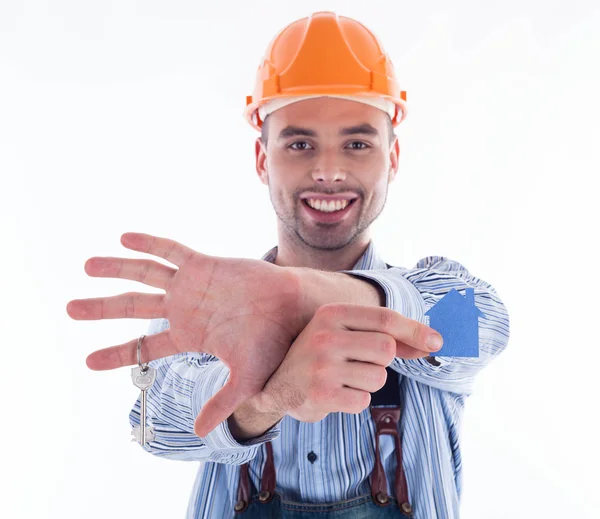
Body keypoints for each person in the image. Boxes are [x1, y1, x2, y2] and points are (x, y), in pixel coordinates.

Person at [71, 10, 509, 519]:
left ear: (392, 158)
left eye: (357, 143)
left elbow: (488, 325)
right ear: (263, 160)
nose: (328, 170)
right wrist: (264, 398)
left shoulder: (440, 294)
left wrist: (309, 297)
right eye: (300, 144)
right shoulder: (209, 309)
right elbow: (158, 428)